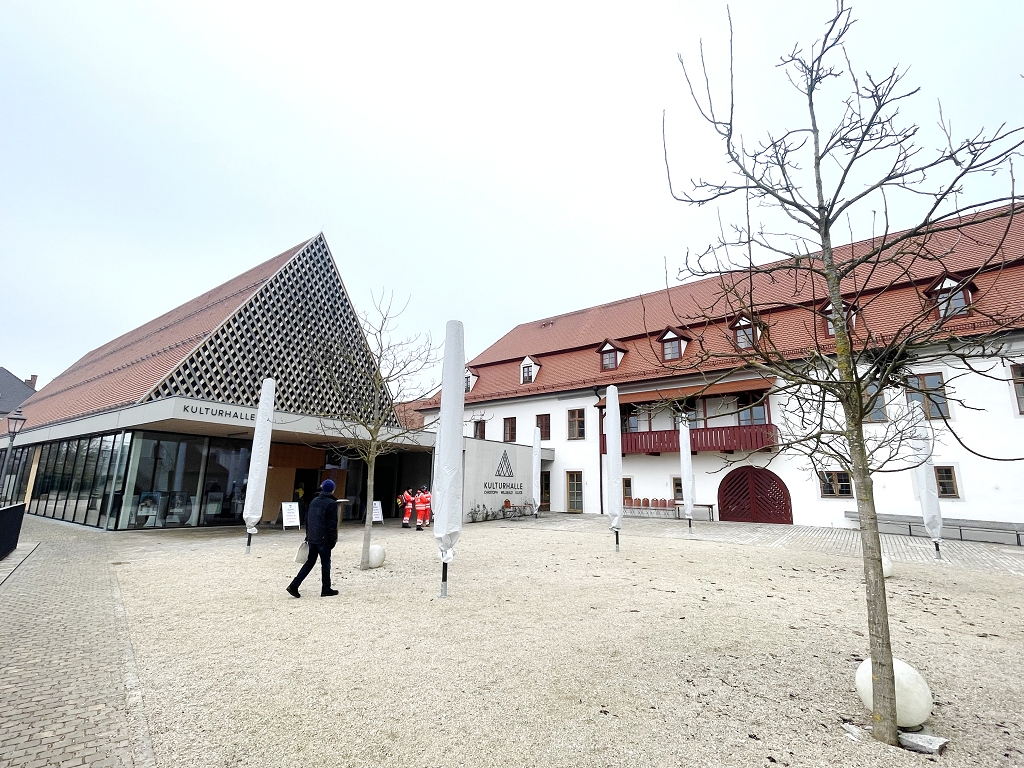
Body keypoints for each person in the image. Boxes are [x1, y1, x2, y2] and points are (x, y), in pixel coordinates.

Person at [287, 479, 339, 598]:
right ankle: (326, 588)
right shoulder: (331, 503)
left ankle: (294, 584)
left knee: (310, 562)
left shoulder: (314, 501)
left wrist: (308, 535)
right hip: (324, 538)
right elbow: (332, 524)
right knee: (325, 563)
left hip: (313, 536)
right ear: (332, 490)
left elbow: (307, 520)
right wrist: (333, 539)